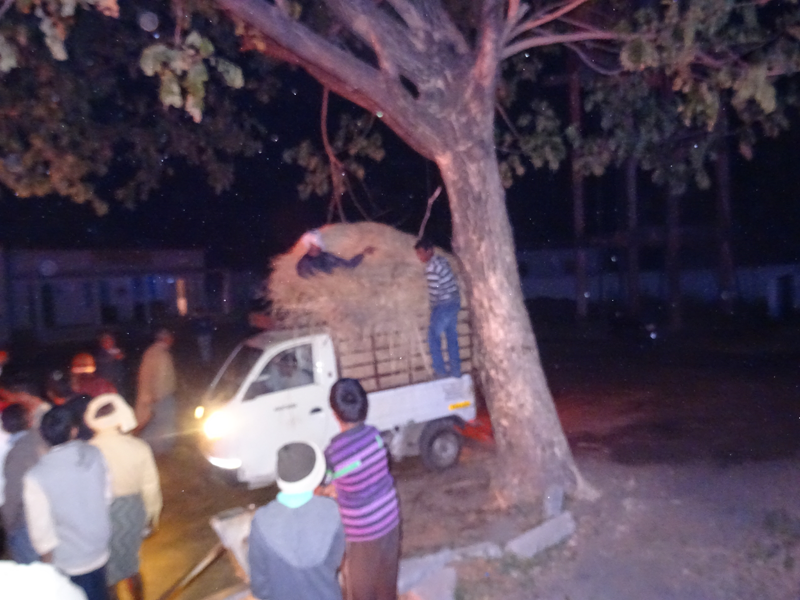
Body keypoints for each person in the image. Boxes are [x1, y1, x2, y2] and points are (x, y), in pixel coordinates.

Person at [23, 405, 112, 600]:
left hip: (69, 558)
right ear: (73, 430)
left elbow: (41, 530)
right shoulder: (94, 453)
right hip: (99, 547)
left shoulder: (36, 476)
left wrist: (47, 565)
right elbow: (106, 496)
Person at [323, 378, 400, 600]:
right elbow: (373, 467)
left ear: (335, 413)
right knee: (386, 583)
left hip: (363, 532)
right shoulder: (375, 435)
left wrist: (329, 490)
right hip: (390, 519)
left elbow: (324, 487)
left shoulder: (334, 453)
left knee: (360, 591)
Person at [86, 394, 162, 600]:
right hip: (131, 511)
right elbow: (150, 488)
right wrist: (151, 517)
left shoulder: (87, 451)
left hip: (100, 513)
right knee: (131, 564)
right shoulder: (138, 447)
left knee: (108, 571)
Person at [248, 441, 345, 600]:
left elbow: (260, 585)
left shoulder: (261, 521)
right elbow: (337, 560)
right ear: (316, 475)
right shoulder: (333, 512)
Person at [1, 403, 46, 564]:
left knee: (29, 567)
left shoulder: (17, 453)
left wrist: (8, 524)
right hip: (43, 516)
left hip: (25, 521)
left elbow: (13, 495)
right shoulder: (39, 438)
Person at [414, 238, 461, 379]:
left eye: (421, 253)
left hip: (444, 305)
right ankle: (456, 371)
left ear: (430, 250)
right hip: (454, 301)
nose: (420, 257)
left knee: (433, 337)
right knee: (451, 337)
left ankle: (440, 371)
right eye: (418, 254)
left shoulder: (431, 267)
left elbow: (435, 291)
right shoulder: (442, 260)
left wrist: (433, 308)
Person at [135, 329, 177, 455]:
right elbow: (161, 377)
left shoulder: (150, 351)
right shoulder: (162, 354)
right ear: (165, 339)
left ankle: (147, 447)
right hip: (162, 395)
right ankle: (162, 449)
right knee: (164, 422)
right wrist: (158, 395)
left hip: (150, 395)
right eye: (170, 337)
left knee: (154, 422)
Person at [296, 229, 376, 278]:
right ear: (311, 244)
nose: (321, 242)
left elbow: (348, 265)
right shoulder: (303, 265)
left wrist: (363, 253)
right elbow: (310, 284)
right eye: (318, 240)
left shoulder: (327, 256)